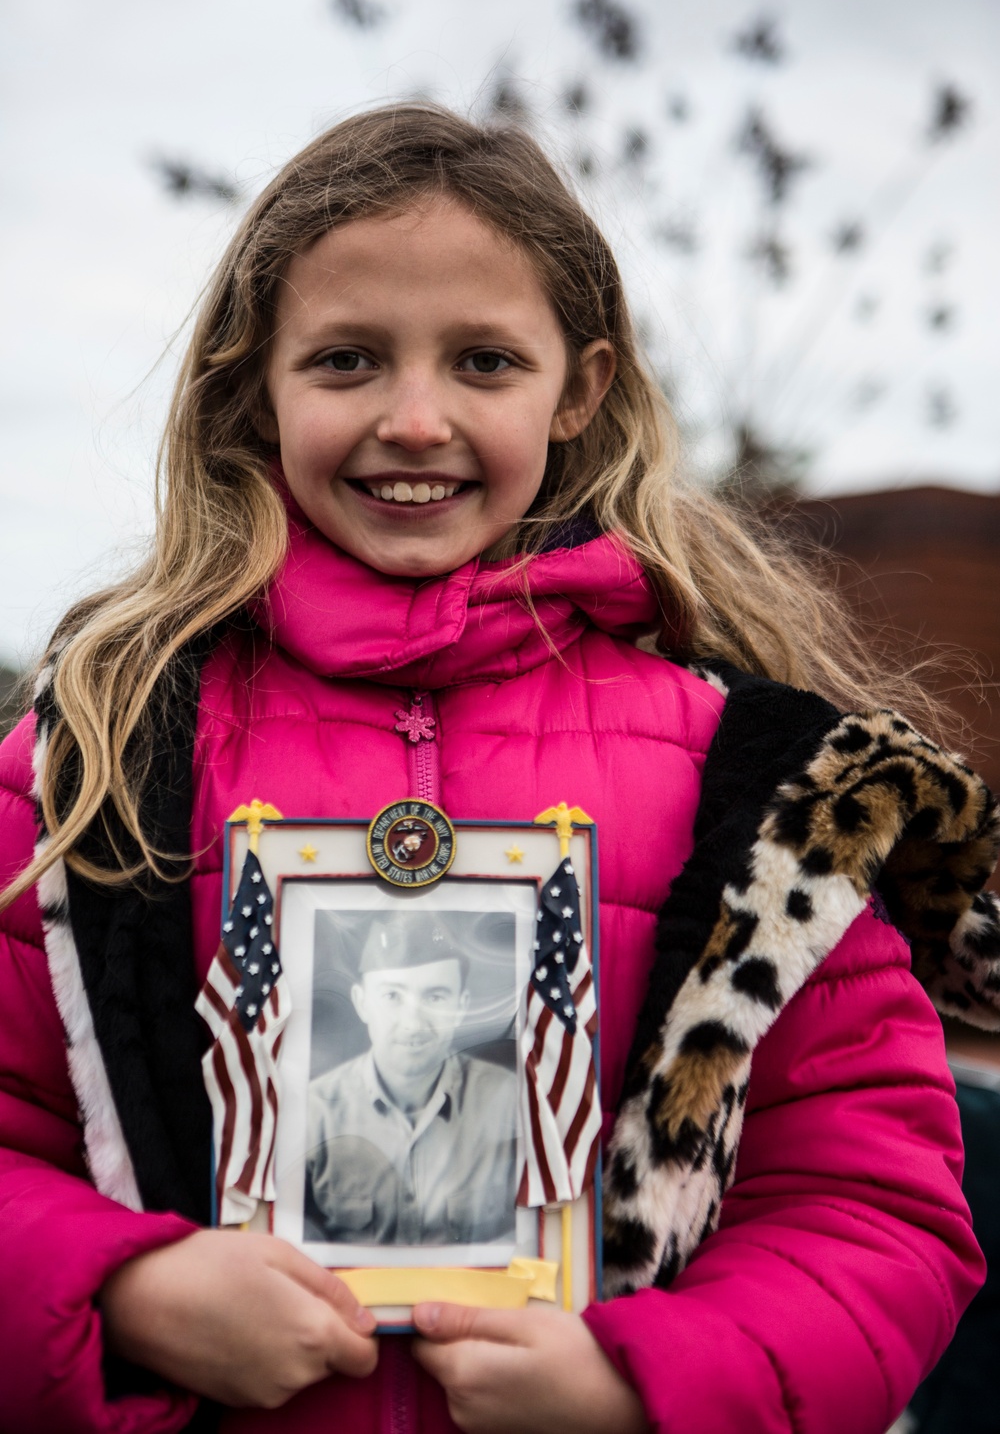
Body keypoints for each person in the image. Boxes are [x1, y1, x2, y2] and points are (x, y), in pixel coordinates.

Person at [0, 104, 996, 1434]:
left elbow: (873, 1211)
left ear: (576, 389)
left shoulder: (755, 793)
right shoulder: (101, 758)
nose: (417, 421)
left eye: (483, 362)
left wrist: (646, 1386)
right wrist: (127, 1290)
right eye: (348, 360)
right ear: (256, 385)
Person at [305, 913, 517, 1246]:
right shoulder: (312, 1112)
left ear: (461, 1006)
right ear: (362, 1003)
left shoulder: (507, 1102)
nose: (412, 1020)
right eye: (392, 996)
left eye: (435, 997)